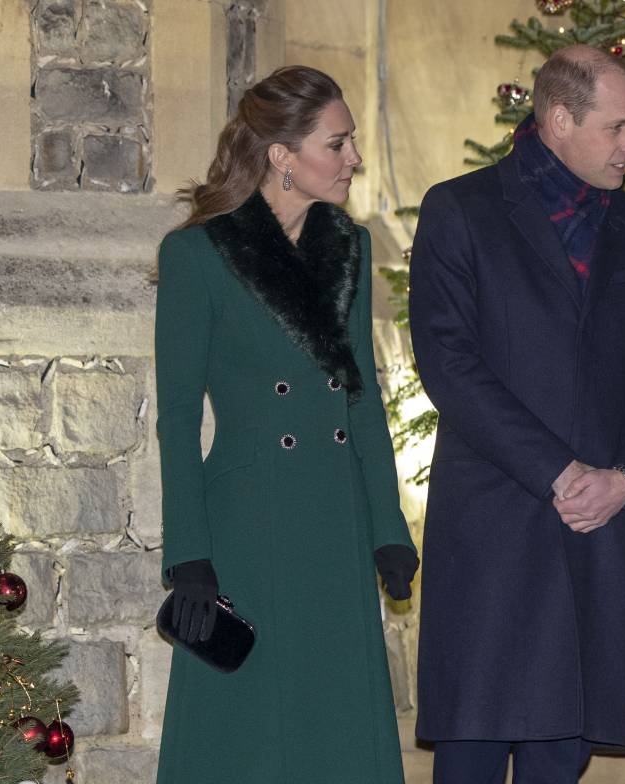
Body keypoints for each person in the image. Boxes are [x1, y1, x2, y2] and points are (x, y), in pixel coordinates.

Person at [408, 44, 625, 782]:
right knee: (469, 756)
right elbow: (449, 365)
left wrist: (624, 480)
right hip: (494, 531)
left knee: (563, 754)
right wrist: (561, 473)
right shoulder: (459, 210)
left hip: (595, 532)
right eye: (618, 128)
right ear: (560, 119)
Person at [153, 65, 418, 782]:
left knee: (335, 725)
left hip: (333, 521)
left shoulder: (350, 249)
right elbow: (177, 419)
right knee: (247, 733)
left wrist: (388, 525)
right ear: (281, 156)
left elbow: (359, 397)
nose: (353, 158)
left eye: (352, 142)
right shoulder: (196, 255)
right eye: (338, 144)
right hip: (248, 526)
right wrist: (191, 556)